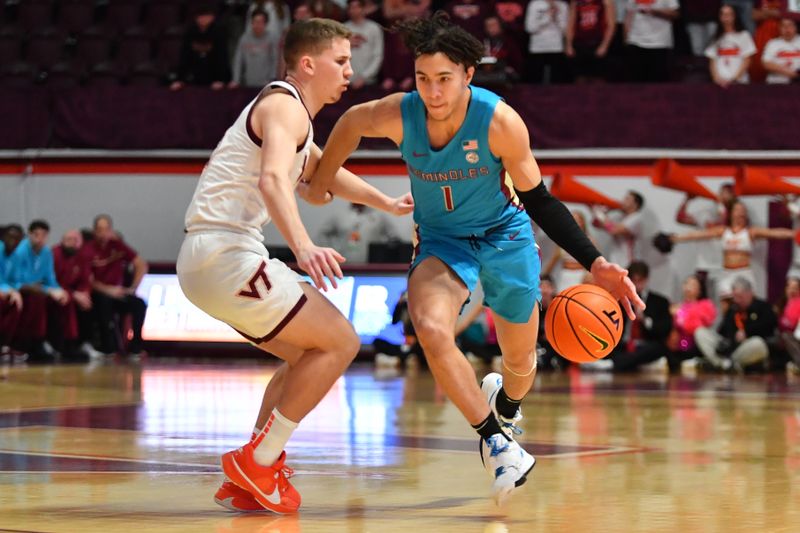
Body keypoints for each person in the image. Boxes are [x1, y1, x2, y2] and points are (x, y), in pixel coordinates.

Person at [305, 12, 643, 505]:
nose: (433, 91)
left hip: (505, 236)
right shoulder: (402, 113)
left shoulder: (500, 121)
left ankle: (505, 406)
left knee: (521, 363)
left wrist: (596, 263)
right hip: (442, 241)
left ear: (468, 74)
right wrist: (320, 182)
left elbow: (541, 200)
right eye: (423, 79)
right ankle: (497, 442)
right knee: (432, 328)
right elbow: (352, 123)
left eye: (444, 79)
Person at [176, 19, 414, 514]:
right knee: (342, 341)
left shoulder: (291, 115)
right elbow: (271, 182)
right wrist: (303, 246)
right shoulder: (285, 106)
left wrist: (386, 203)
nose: (350, 70)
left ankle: (251, 474)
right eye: (341, 61)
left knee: (308, 356)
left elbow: (323, 173)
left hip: (210, 260)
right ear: (309, 64)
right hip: (227, 253)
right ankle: (258, 461)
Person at [668, 201, 795, 304]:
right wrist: (677, 238)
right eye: (737, 210)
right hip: (727, 273)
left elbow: (774, 233)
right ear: (732, 213)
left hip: (744, 272)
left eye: (742, 210)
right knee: (726, 307)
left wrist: (794, 234)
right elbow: (699, 235)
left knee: (747, 304)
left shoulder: (750, 232)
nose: (740, 213)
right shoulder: (723, 231)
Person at [83, 215, 149, 356]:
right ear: (94, 231)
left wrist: (132, 288)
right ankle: (108, 348)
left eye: (106, 229)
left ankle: (135, 348)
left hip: (117, 293)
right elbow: (88, 280)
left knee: (139, 304)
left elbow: (141, 265)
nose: (103, 234)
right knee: (103, 302)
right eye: (99, 230)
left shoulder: (118, 246)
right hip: (98, 293)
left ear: (110, 230)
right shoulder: (87, 250)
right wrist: (108, 290)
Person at [7, 220, 69, 360]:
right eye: (36, 235)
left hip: (39, 289)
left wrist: (58, 291)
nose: (40, 239)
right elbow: (16, 280)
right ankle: (29, 343)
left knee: (62, 300)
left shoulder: (46, 252)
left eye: (43, 235)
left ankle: (61, 344)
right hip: (19, 288)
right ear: (29, 234)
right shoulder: (20, 251)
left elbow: (50, 279)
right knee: (36, 299)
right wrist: (43, 289)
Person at [693, 276, 777, 372]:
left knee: (758, 344)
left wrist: (747, 332)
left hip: (747, 348)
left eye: (740, 297)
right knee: (700, 332)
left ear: (749, 293)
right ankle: (722, 364)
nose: (737, 300)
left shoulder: (763, 307)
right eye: (735, 297)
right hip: (730, 349)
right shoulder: (733, 309)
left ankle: (731, 364)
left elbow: (769, 326)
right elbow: (722, 332)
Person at [705, 4, 757, 87]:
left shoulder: (744, 35)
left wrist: (735, 79)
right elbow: (712, 61)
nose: (726, 17)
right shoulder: (715, 37)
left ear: (735, 16)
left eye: (729, 14)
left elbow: (747, 60)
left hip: (739, 83)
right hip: (719, 84)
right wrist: (716, 78)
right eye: (723, 14)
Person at [230, 9, 280, 88]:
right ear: (251, 23)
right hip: (247, 83)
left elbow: (275, 60)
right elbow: (238, 60)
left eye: (260, 22)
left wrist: (272, 79)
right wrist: (236, 80)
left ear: (265, 24)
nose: (257, 25)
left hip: (266, 84)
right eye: (255, 22)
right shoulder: (244, 38)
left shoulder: (272, 38)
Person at [762, 16, 800, 83]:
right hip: (777, 83)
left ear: (795, 27)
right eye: (783, 26)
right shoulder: (773, 43)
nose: (787, 29)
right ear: (779, 28)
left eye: (790, 25)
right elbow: (766, 63)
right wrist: (787, 72)